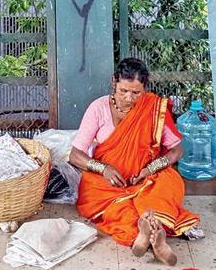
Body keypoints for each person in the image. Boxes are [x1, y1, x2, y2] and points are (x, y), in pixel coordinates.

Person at [70, 58, 198, 266]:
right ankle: (153, 236)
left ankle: (148, 234)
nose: (129, 98)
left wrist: (150, 169)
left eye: (136, 93)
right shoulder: (98, 108)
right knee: (110, 203)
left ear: (144, 88)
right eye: (123, 91)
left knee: (167, 182)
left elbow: (177, 150)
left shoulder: (153, 108)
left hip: (145, 178)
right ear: (114, 82)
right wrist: (103, 169)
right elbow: (75, 155)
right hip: (108, 183)